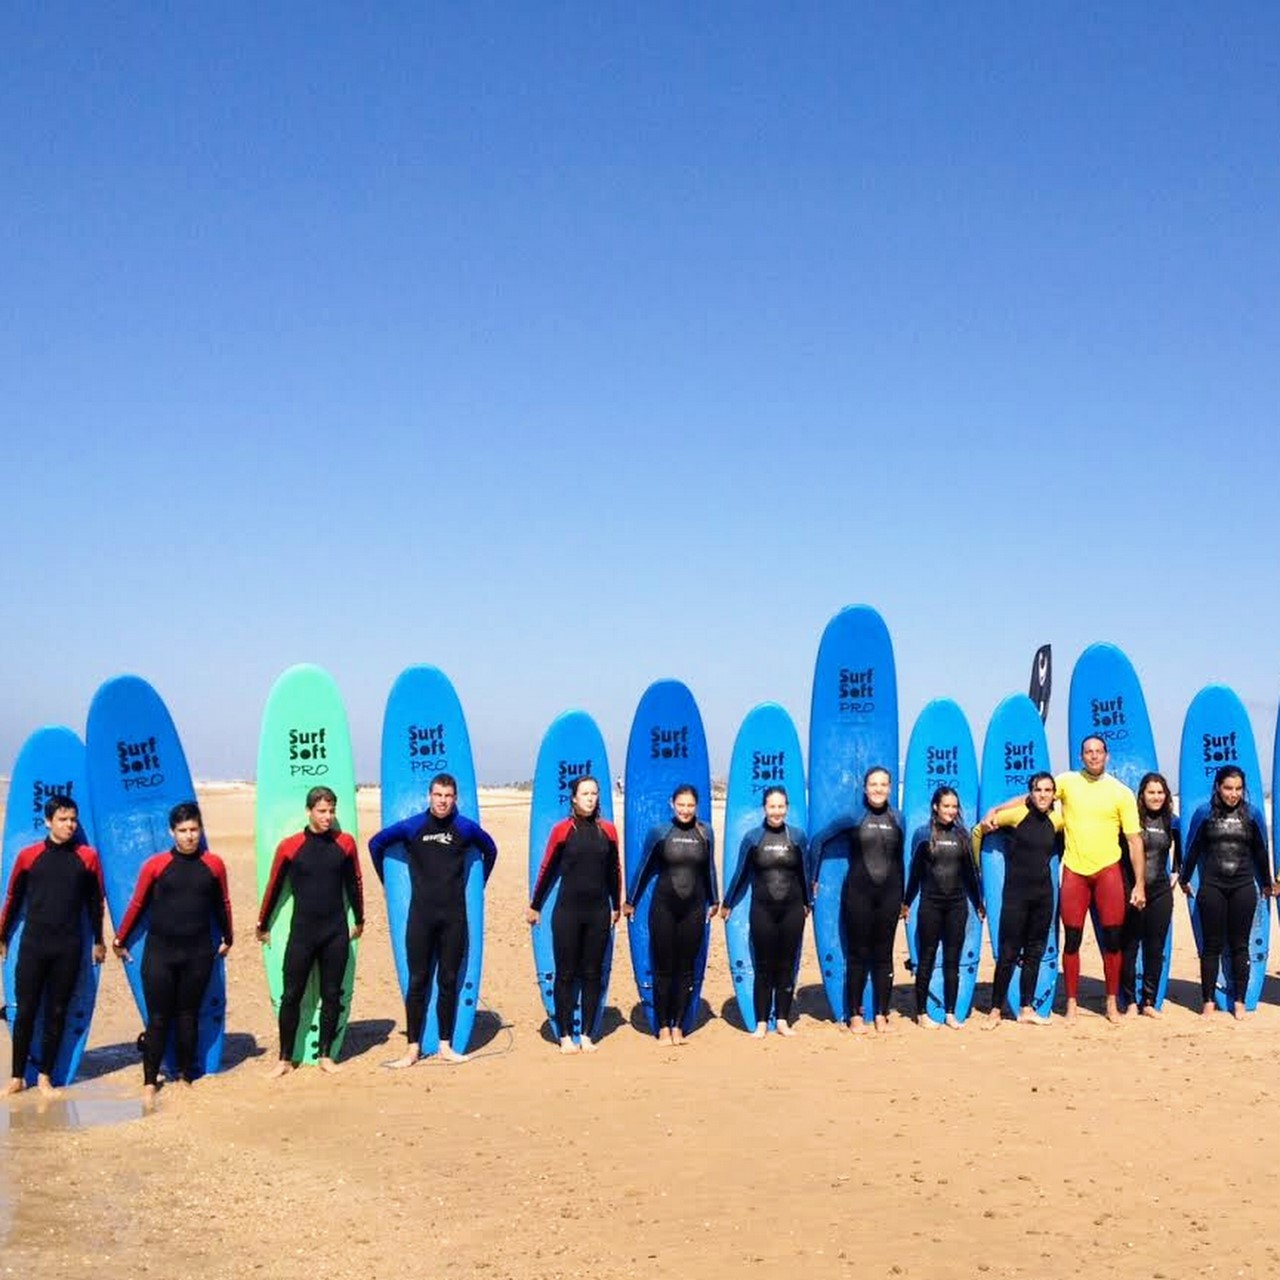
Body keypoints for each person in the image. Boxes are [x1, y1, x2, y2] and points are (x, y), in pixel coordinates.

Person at [984, 736, 1143, 1023]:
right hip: (1074, 872)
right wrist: (997, 810)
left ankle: (1110, 1002)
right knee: (1072, 940)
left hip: (1108, 870)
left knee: (1112, 940)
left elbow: (1134, 841)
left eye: (1098, 752)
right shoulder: (1067, 782)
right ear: (1081, 756)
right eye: (1088, 752)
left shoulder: (1122, 793)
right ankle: (1070, 1003)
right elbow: (1032, 797)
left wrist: (1140, 883)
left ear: (1107, 756)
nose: (1093, 756)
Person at [368, 773, 498, 1067]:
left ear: (455, 799)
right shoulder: (413, 827)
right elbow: (376, 844)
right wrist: (386, 883)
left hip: (454, 918)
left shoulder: (464, 828)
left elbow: (491, 849)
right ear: (430, 796)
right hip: (421, 917)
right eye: (438, 795)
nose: (442, 801)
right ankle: (412, 1048)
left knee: (449, 981)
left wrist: (478, 884)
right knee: (418, 981)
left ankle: (445, 1046)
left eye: (448, 796)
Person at [112, 802, 233, 1100]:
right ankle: (150, 1081)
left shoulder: (213, 865)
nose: (189, 836)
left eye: (194, 829)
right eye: (183, 831)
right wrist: (120, 939)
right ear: (172, 832)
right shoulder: (156, 865)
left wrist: (228, 936)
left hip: (198, 953)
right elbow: (138, 904)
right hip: (160, 954)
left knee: (188, 1015)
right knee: (158, 1018)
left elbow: (223, 904)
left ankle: (183, 1074)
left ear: (201, 830)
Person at [0, 795, 105, 1098]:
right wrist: (3, 935)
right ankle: (18, 1076)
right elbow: (13, 899)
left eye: (73, 819)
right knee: (25, 1012)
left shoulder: (87, 858)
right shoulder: (28, 857)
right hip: (34, 945)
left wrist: (98, 941)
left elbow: (94, 904)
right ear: (48, 822)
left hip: (69, 947)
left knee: (58, 1012)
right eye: (63, 819)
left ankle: (45, 1076)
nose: (70, 825)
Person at [256, 786, 364, 1077]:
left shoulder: (345, 844)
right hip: (302, 933)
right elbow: (275, 887)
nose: (327, 817)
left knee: (332, 995)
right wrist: (263, 924)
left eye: (331, 811)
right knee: (291, 995)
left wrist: (360, 919)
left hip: (335, 933)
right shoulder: (290, 846)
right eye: (322, 811)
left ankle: (326, 1055)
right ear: (309, 811)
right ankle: (284, 1058)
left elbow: (355, 882)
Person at [527, 775, 622, 1055]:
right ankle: (566, 1034)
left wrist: (616, 906)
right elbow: (546, 869)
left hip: (598, 912)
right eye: (585, 794)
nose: (591, 798)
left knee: (592, 974)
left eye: (594, 793)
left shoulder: (609, 831)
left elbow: (614, 871)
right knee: (566, 974)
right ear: (574, 798)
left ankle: (588, 1034)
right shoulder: (562, 830)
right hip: (567, 912)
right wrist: (535, 905)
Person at [810, 766, 905, 1035]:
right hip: (858, 895)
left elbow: (899, 862)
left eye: (883, 784)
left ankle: (882, 1014)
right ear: (865, 788)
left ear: (890, 787)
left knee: (885, 956)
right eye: (873, 784)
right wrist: (813, 878)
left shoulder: (898, 818)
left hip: (889, 895)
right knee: (858, 955)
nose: (878, 789)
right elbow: (819, 841)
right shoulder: (853, 816)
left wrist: (903, 897)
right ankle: (854, 1015)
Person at [626, 785, 719, 1046]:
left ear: (696, 807)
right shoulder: (660, 832)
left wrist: (715, 900)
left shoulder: (705, 832)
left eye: (690, 805)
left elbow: (709, 868)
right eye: (682, 805)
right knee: (664, 969)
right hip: (664, 907)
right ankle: (663, 1026)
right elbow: (644, 866)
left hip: (694, 908)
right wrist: (630, 901)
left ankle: (678, 1026)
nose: (686, 810)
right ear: (672, 804)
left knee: (686, 970)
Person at [1178, 765, 1274, 1020]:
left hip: (1243, 886)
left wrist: (1267, 883)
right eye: (1228, 788)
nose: (1233, 794)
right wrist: (1184, 879)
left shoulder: (1252, 814)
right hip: (1212, 887)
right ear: (1218, 788)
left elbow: (1261, 852)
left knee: (1240, 946)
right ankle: (1208, 1001)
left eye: (1238, 789)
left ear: (1243, 790)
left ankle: (1240, 1001)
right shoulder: (1204, 814)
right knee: (1211, 946)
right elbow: (1193, 849)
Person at [720, 785, 809, 1038]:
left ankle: (782, 1019)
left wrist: (808, 902)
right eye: (772, 806)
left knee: (786, 966)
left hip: (792, 910)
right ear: (765, 808)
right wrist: (727, 903)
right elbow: (740, 873)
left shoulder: (798, 837)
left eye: (781, 807)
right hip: (762, 911)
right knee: (764, 967)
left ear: (787, 808)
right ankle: (761, 1022)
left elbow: (805, 873)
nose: (777, 811)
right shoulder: (753, 837)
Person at [977, 773, 1063, 1028]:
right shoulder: (1015, 816)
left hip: (1043, 896)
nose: (1043, 795)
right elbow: (983, 827)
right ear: (1031, 793)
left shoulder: (1057, 821)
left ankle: (1026, 1008)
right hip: (1015, 895)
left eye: (1048, 790)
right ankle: (995, 1010)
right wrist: (994, 810)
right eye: (1038, 790)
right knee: (1008, 954)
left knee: (1035, 952)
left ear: (1053, 794)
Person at [901, 786, 983, 1029]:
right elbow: (915, 874)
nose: (950, 810)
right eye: (946, 806)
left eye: (954, 806)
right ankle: (922, 1013)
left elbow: (970, 874)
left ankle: (950, 1013)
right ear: (936, 807)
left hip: (957, 905)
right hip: (930, 905)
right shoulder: (923, 834)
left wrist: (979, 903)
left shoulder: (962, 835)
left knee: (952, 960)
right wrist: (906, 903)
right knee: (926, 958)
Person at [1120, 772, 1180, 1017]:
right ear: (1142, 795)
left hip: (1160, 891)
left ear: (1165, 795)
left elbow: (1181, 852)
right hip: (1132, 890)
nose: (1156, 797)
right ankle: (1130, 1002)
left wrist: (1177, 874)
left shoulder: (1171, 821)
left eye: (1160, 792)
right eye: (1151, 792)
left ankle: (1148, 1002)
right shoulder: (1131, 819)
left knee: (1155, 948)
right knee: (1130, 946)